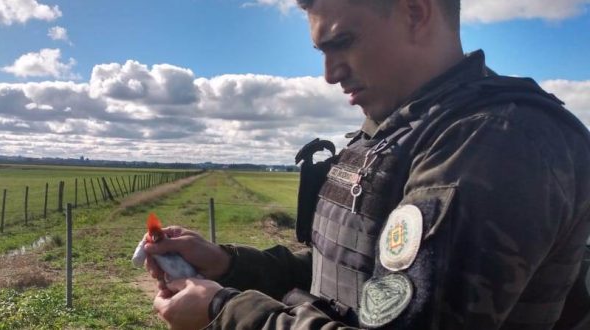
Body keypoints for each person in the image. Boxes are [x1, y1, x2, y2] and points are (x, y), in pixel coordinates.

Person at [145, 0, 590, 329]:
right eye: (322, 50)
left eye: (341, 43)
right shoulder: (400, 131)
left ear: (416, 12)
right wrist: (227, 265)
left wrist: (224, 311)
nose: (329, 73)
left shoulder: (492, 143)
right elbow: (357, 277)